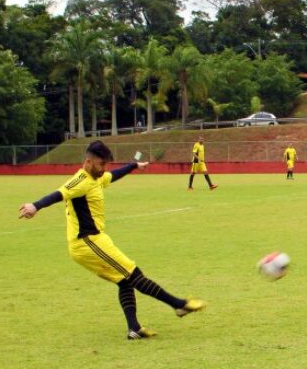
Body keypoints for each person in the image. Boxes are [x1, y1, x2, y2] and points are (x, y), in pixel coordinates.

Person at [18, 140, 206, 339]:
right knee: (134, 274)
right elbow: (60, 193)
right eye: (101, 164)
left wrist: (134, 166)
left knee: (124, 281)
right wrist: (35, 206)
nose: (103, 169)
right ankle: (179, 305)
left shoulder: (96, 177)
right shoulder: (80, 180)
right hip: (87, 242)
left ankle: (134, 328)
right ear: (88, 162)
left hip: (95, 241)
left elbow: (111, 176)